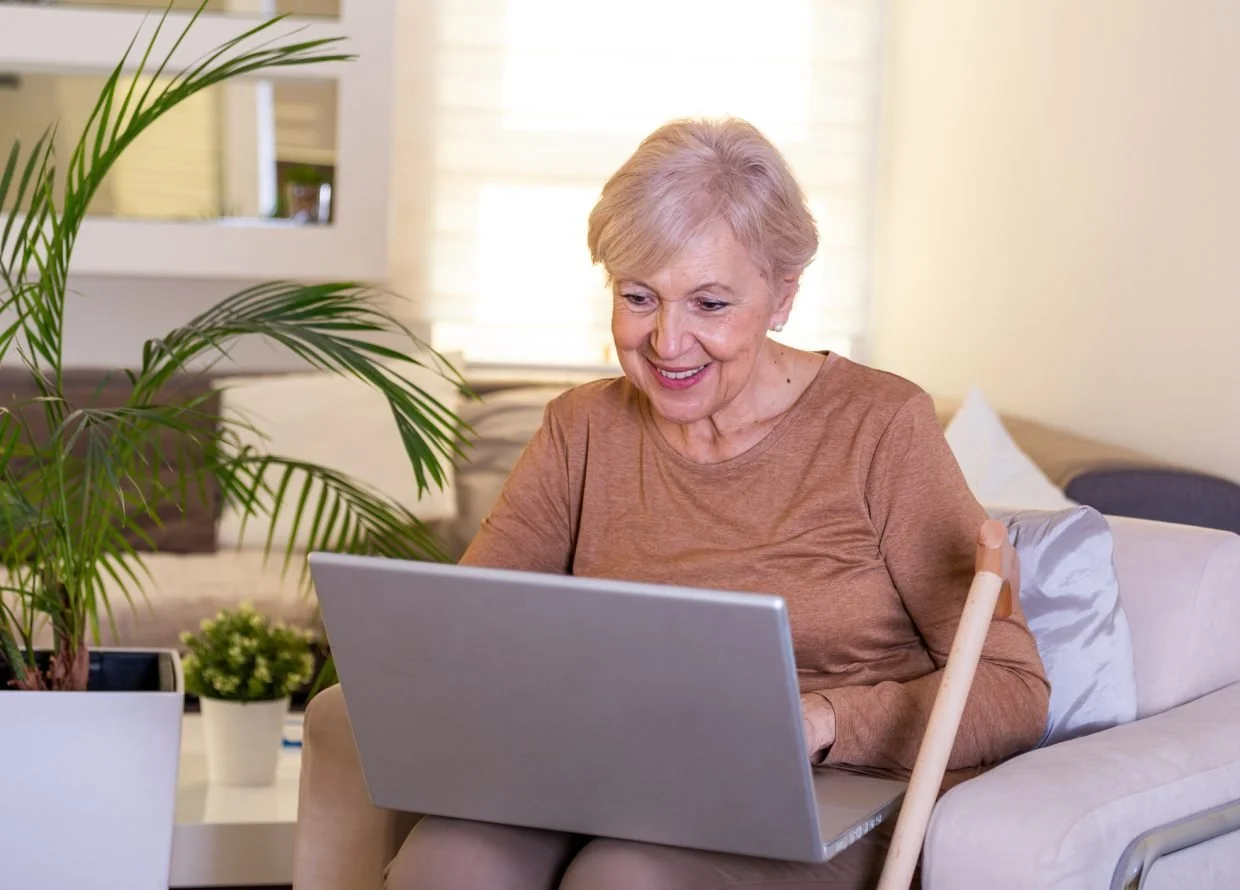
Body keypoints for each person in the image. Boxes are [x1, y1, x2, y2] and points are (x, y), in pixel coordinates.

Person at [384, 117, 1050, 890]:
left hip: (826, 788)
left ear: (783, 297)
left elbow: (1014, 690)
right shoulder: (582, 428)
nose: (668, 342)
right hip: (617, 771)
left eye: (709, 303)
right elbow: (469, 631)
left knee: (625, 878)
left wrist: (823, 721)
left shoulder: (881, 426)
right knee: (447, 865)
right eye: (639, 297)